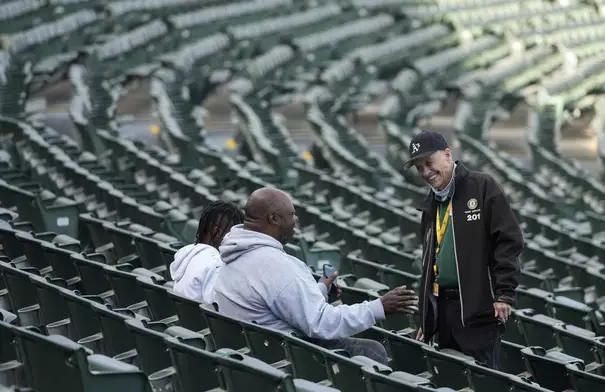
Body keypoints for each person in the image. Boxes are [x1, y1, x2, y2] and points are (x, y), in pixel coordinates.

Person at [213, 187, 418, 365]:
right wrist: (379, 306)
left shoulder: (234, 256)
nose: (296, 220)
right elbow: (322, 324)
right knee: (372, 351)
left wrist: (319, 289)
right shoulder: (274, 265)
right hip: (290, 359)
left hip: (259, 354)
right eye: (291, 215)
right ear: (273, 218)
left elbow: (282, 301)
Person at [404, 130, 523, 369]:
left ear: (447, 155)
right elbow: (429, 262)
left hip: (478, 308)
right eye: (419, 168)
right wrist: (427, 318)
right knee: (453, 377)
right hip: (444, 310)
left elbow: (509, 241)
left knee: (483, 378)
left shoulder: (482, 186)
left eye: (429, 163)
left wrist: (503, 294)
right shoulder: (431, 203)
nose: (426, 172)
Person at [170, 200, 244, 304]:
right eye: (233, 234)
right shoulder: (215, 265)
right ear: (216, 232)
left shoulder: (188, 254)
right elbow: (217, 309)